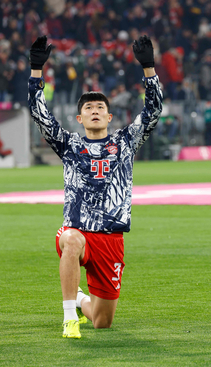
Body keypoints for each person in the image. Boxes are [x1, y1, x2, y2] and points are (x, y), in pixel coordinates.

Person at [28, 35, 163, 339]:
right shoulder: (70, 145)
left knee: (103, 321)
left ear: (109, 116)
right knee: (71, 241)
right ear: (80, 118)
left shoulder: (125, 142)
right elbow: (40, 116)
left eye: (100, 107)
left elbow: (153, 110)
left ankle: (78, 299)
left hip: (112, 239)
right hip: (78, 231)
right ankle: (68, 319)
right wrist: (36, 71)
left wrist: (148, 68)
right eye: (88, 107)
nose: (95, 110)